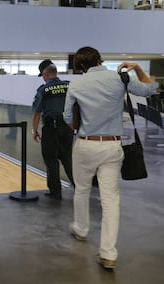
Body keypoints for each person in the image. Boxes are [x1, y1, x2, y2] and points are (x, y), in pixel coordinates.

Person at [63, 46, 158, 269]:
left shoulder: (76, 84)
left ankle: (81, 228)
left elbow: (67, 117)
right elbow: (151, 89)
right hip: (112, 145)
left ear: (80, 66)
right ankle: (108, 254)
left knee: (82, 189)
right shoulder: (120, 79)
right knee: (110, 200)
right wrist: (137, 69)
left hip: (86, 144)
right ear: (99, 60)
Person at [31, 59, 74, 200]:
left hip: (51, 129)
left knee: (51, 160)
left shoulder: (44, 89)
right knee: (68, 158)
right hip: (68, 127)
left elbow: (37, 112)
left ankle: (55, 191)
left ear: (45, 74)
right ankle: (79, 186)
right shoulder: (69, 86)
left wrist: (34, 130)